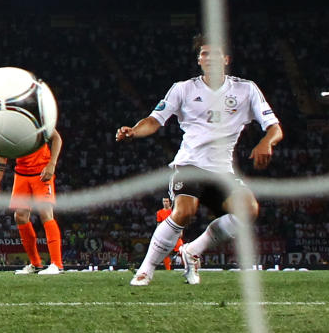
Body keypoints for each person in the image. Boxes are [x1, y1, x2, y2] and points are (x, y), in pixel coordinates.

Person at [116, 34, 283, 286]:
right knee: (185, 211)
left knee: (248, 210)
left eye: (214, 53)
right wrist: (133, 131)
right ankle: (146, 269)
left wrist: (266, 142)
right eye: (204, 54)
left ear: (226, 60)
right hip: (189, 165)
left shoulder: (245, 89)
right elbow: (154, 121)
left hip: (222, 171)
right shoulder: (183, 88)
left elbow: (275, 128)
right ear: (199, 61)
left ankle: (192, 251)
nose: (209, 58)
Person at [0, 131, 64, 275]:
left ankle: (57, 264)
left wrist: (51, 164)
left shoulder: (37, 116)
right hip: (21, 173)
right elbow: (1, 153)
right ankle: (36, 264)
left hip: (41, 172)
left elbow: (57, 138)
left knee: (45, 213)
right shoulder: (5, 125)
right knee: (20, 216)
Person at [155, 197, 182, 271]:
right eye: (164, 201)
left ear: (169, 202)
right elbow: (159, 224)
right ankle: (168, 270)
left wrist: (181, 231)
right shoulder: (159, 212)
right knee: (165, 253)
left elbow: (179, 222)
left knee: (182, 251)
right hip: (165, 235)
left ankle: (188, 269)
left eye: (166, 201)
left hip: (175, 234)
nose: (165, 203)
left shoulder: (174, 211)